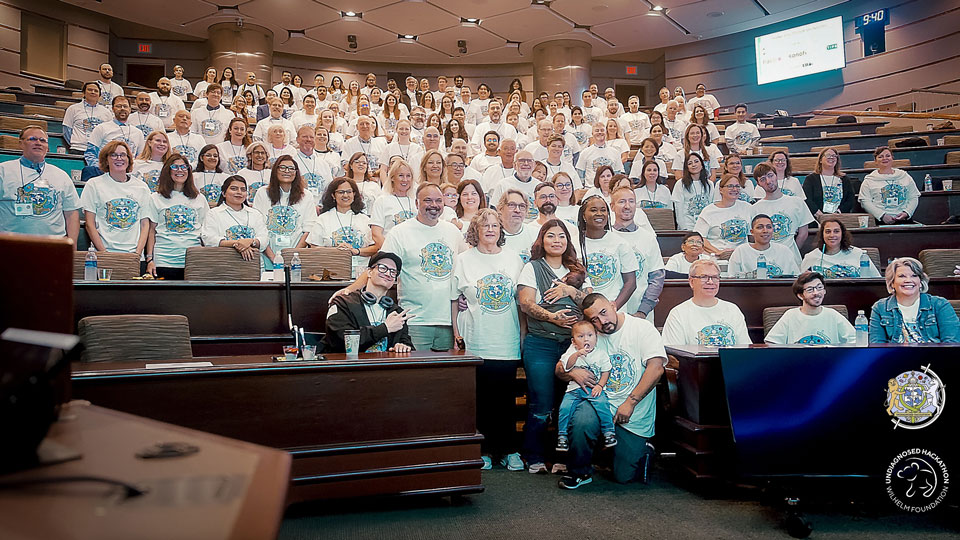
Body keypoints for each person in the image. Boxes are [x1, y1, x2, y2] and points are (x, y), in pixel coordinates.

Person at [555, 293, 666, 488]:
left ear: (614, 306)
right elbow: (559, 369)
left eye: (604, 313)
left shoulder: (641, 328)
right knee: (581, 420)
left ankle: (642, 449)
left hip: (632, 411)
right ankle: (580, 473)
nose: (602, 322)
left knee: (624, 476)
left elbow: (656, 368)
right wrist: (573, 374)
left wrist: (630, 403)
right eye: (595, 319)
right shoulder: (590, 335)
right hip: (600, 403)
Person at [450, 209, 525, 471]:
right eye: (485, 226)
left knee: (506, 400)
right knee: (481, 399)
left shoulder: (514, 259)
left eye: (495, 225)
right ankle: (483, 450)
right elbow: (453, 300)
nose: (491, 229)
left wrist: (522, 335)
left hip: (506, 339)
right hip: (476, 339)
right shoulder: (463, 260)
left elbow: (520, 301)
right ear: (476, 231)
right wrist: (456, 335)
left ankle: (509, 450)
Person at [517, 219, 591, 474]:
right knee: (541, 401)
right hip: (542, 344)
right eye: (551, 236)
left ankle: (563, 458)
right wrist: (552, 317)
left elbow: (590, 303)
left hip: (572, 346)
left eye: (561, 236)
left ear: (568, 241)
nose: (556, 240)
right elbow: (526, 304)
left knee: (567, 402)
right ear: (542, 240)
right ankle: (534, 454)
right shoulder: (532, 268)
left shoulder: (578, 270)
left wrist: (570, 291)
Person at [368, 183, 464, 351]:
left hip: (449, 322)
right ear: (416, 203)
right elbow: (380, 267)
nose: (434, 205)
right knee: (418, 375)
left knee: (446, 375)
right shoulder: (400, 232)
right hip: (415, 321)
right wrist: (350, 289)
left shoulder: (453, 231)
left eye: (438, 200)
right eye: (428, 200)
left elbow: (466, 267)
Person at [0, 126, 80, 244]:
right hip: (11, 245)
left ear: (47, 148)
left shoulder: (61, 175)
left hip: (53, 246)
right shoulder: (3, 171)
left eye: (42, 140)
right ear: (21, 144)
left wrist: (71, 246)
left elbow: (71, 214)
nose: (38, 143)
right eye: (32, 139)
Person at [324, 251, 414, 353]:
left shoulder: (396, 312)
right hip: (351, 366)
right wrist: (385, 328)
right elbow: (341, 341)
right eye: (383, 268)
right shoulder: (343, 303)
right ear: (369, 272)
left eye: (393, 272)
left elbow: (406, 342)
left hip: (385, 366)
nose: (388, 274)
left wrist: (403, 346)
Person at [80, 141, 151, 254]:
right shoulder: (93, 184)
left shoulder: (142, 187)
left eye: (123, 155)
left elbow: (145, 224)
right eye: (113, 155)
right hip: (104, 252)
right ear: (106, 160)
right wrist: (104, 253)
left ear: (129, 159)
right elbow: (90, 224)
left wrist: (137, 253)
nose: (119, 158)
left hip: (134, 255)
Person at [556, 320, 617, 452]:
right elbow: (566, 366)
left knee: (603, 406)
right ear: (573, 341)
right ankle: (562, 436)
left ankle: (609, 432)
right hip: (574, 390)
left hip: (593, 389)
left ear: (596, 337)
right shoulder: (571, 351)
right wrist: (577, 354)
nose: (586, 339)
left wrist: (600, 386)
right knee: (565, 408)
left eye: (590, 335)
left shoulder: (600, 354)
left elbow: (606, 371)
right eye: (581, 336)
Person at [145, 154, 208, 279]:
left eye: (184, 167)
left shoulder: (199, 199)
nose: (180, 170)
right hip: (163, 259)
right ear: (167, 170)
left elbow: (205, 231)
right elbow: (151, 231)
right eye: (175, 167)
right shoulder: (156, 198)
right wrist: (149, 259)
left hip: (192, 261)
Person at [661, 259, 752, 346]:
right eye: (704, 277)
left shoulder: (733, 310)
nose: (710, 282)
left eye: (715, 277)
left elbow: (745, 349)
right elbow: (675, 354)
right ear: (692, 282)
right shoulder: (678, 313)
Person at [869, 257, 959, 343]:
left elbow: (951, 342)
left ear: (920, 282)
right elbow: (876, 344)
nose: (908, 280)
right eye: (902, 276)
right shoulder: (880, 308)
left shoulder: (940, 305)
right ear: (892, 283)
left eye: (914, 276)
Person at [610, 186, 664, 319]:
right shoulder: (606, 236)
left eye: (631, 201)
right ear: (612, 206)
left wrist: (643, 310)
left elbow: (657, 277)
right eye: (621, 201)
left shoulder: (648, 238)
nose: (627, 206)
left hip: (640, 312)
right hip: (610, 312)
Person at [578, 195, 638, 311]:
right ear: (584, 215)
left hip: (614, 310)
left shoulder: (621, 243)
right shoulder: (573, 243)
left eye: (603, 210)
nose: (599, 213)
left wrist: (614, 306)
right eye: (593, 210)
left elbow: (630, 283)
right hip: (583, 310)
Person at [765, 271, 856, 344]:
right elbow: (771, 343)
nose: (816, 293)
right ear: (800, 295)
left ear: (824, 291)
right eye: (810, 290)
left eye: (819, 287)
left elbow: (855, 340)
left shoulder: (833, 314)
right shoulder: (790, 315)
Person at [252, 154, 317, 254]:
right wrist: (273, 258)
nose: (287, 171)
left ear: (296, 172)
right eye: (282, 168)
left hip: (295, 255)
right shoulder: (262, 193)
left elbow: (309, 230)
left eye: (291, 168)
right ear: (275, 171)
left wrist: (293, 254)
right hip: (266, 253)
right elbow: (258, 228)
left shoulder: (306, 195)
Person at [752, 162, 815, 264]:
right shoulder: (755, 208)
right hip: (765, 259)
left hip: (792, 258)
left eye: (770, 176)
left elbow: (803, 233)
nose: (768, 181)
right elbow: (754, 238)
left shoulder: (797, 202)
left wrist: (789, 252)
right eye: (763, 179)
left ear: (776, 175)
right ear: (758, 184)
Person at [201, 175, 273, 263]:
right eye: (234, 189)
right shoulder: (213, 214)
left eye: (243, 190)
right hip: (225, 265)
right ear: (224, 193)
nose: (239, 192)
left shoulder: (255, 214)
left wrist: (250, 241)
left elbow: (264, 239)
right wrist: (239, 244)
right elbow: (209, 240)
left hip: (253, 265)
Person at [310, 177, 377, 266]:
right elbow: (314, 247)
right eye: (341, 192)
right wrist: (336, 250)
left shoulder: (365, 220)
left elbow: (375, 247)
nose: (345, 195)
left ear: (354, 194)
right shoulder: (323, 219)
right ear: (333, 195)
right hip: (331, 270)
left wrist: (356, 251)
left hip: (360, 271)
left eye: (349, 192)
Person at [694, 173, 753, 259]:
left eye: (737, 186)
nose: (735, 189)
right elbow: (699, 238)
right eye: (730, 186)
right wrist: (718, 252)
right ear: (721, 190)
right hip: (716, 257)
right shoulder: (708, 211)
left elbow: (753, 236)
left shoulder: (747, 208)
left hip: (742, 256)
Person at [800, 217, 881, 278]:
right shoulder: (811, 257)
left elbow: (876, 279)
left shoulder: (859, 254)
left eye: (836, 231)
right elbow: (800, 285)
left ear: (842, 234)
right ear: (822, 235)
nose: (832, 235)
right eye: (828, 232)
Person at [858, 146, 920, 225]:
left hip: (904, 219)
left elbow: (913, 197)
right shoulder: (869, 180)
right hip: (879, 221)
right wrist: (882, 215)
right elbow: (865, 201)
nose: (885, 158)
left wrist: (906, 213)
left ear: (892, 158)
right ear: (875, 161)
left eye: (888, 156)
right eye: (880, 157)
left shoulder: (905, 176)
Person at [728, 214, 800, 278]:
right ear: (752, 232)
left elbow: (796, 277)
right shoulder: (741, 251)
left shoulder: (784, 251)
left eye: (769, 227)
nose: (765, 231)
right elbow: (732, 277)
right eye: (760, 227)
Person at [85, 96, 145, 167]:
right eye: (118, 106)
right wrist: (102, 169)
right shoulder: (101, 128)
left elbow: (141, 158)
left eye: (125, 106)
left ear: (130, 109)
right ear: (113, 109)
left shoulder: (138, 133)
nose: (122, 108)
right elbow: (90, 154)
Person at [63, 82, 114, 153]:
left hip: (98, 151)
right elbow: (67, 131)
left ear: (99, 95)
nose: (93, 92)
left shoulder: (106, 112)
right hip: (78, 149)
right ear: (83, 93)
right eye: (90, 90)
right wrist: (76, 143)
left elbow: (109, 133)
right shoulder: (73, 109)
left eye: (96, 91)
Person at [803, 147, 854, 217]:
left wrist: (838, 213)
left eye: (834, 156)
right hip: (816, 219)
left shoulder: (844, 179)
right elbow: (807, 199)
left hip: (839, 218)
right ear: (820, 160)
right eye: (828, 155)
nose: (831, 158)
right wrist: (820, 215)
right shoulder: (811, 179)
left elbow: (850, 200)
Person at [671, 153, 714, 230]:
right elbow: (679, 209)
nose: (694, 165)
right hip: (688, 225)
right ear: (686, 167)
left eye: (696, 161)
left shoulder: (709, 184)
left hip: (706, 224)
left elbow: (712, 206)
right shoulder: (680, 184)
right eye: (690, 163)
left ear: (702, 165)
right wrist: (683, 228)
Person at [291, 125, 335, 199]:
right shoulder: (292, 162)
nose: (308, 139)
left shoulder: (323, 164)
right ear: (297, 139)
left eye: (311, 137)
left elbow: (329, 188)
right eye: (304, 136)